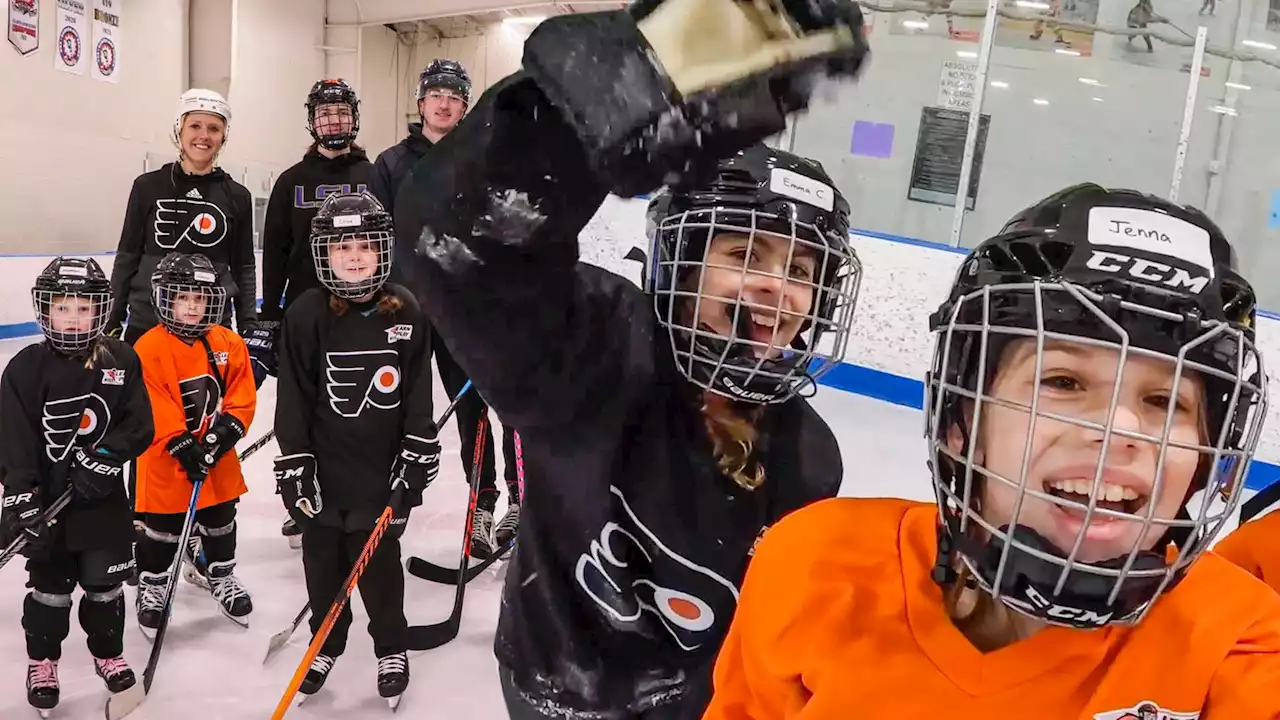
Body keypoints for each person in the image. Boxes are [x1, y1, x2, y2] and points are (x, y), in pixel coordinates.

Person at [392, 1, 870, 716]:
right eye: (746, 255)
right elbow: (462, 250)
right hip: (552, 688)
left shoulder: (808, 456)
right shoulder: (597, 346)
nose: (779, 288)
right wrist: (617, 86)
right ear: (679, 259)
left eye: (803, 271)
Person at [701, 184, 1280, 718]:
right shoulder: (815, 564)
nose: (1119, 428)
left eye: (1165, 401)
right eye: (1063, 382)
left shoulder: (1241, 644)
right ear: (962, 422)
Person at [272, 191, 440, 708]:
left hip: (379, 468)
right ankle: (328, 640)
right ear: (324, 251)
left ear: (383, 249)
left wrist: (418, 447)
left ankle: (391, 646)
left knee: (379, 566)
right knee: (323, 564)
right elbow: (293, 397)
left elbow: (416, 393)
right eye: (342, 245)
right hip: (324, 467)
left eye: (365, 245)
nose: (354, 255)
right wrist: (294, 460)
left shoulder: (407, 310)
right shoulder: (305, 314)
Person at [372, 57, 520, 559]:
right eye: (437, 93)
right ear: (421, 103)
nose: (445, 102)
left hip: (464, 309)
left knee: (473, 406)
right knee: (396, 406)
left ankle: (487, 507)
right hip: (406, 308)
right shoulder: (390, 164)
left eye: (455, 96)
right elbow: (374, 237)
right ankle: (392, 501)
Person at [0, 258, 155, 716]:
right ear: (45, 311)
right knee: (50, 591)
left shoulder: (121, 359)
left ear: (101, 311)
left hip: (103, 504)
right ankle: (42, 661)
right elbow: (14, 442)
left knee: (105, 589)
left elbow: (139, 424)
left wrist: (105, 457)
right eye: (63, 307)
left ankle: (107, 654)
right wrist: (22, 499)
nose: (73, 317)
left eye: (84, 308)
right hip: (49, 504)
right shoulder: (24, 369)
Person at [248, 77, 376, 549]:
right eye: (325, 114)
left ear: (354, 118)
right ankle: (301, 498)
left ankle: (352, 495)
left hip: (361, 314)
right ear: (312, 120)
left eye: (341, 113)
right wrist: (271, 311)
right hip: (303, 315)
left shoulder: (373, 176)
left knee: (352, 407)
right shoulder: (291, 181)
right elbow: (276, 250)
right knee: (300, 411)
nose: (334, 121)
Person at [132, 252, 257, 632]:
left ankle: (220, 574)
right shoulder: (148, 347)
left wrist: (223, 435)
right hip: (166, 461)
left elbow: (241, 394)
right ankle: (152, 584)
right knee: (161, 528)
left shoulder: (228, 343)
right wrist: (182, 445)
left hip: (216, 458)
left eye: (199, 298)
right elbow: (151, 402)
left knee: (221, 519)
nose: (192, 306)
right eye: (183, 297)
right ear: (165, 298)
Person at [106, 88, 258, 344]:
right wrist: (112, 322)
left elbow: (244, 267)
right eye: (195, 126)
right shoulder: (147, 187)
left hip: (211, 325)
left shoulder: (237, 196)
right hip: (148, 324)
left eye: (213, 128)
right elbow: (127, 257)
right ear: (179, 130)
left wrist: (250, 326)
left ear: (224, 136)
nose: (203, 136)